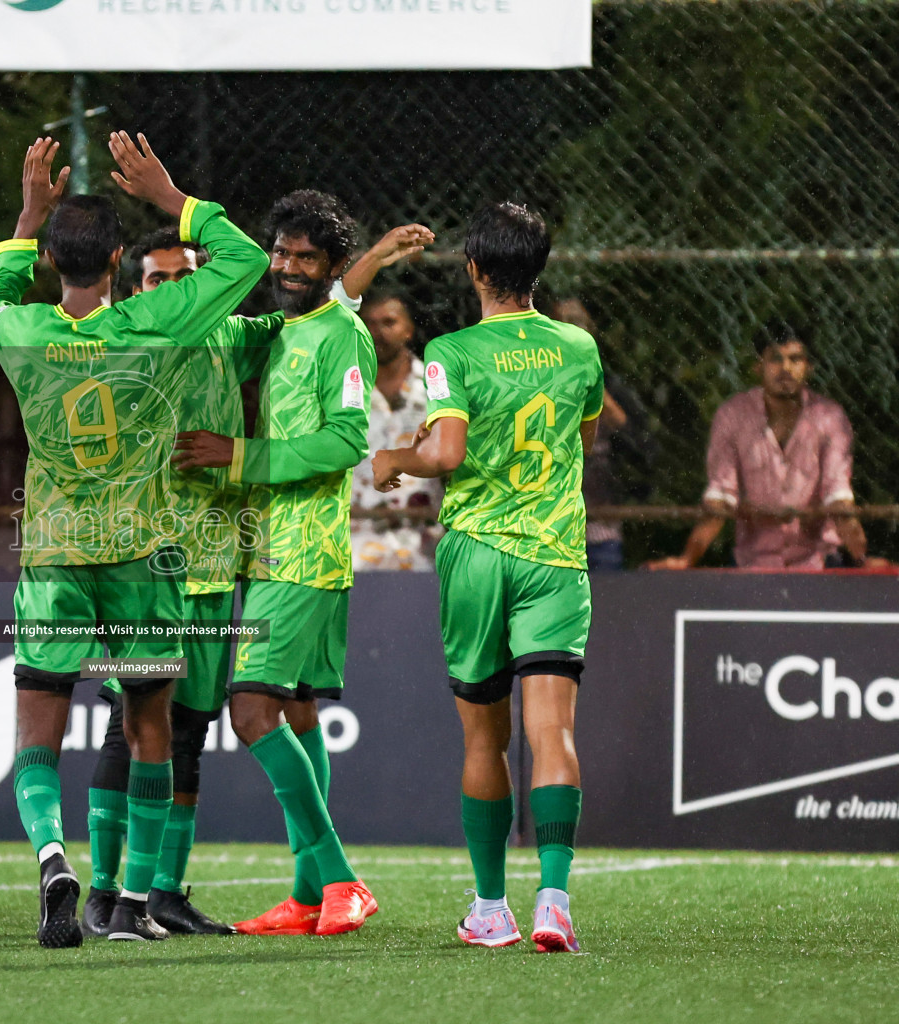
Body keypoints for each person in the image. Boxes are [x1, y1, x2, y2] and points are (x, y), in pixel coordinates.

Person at [0, 135, 269, 946]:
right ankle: (134, 903)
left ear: (54, 259)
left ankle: (51, 857)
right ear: (116, 257)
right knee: (152, 727)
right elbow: (243, 261)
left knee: (37, 730)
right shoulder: (155, 322)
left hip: (56, 556)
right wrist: (173, 199)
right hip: (142, 556)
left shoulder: (21, 332)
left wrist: (26, 218)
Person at [175, 191, 419, 936]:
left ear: (331, 267)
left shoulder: (341, 336)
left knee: (249, 712)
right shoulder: (289, 325)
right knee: (297, 712)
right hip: (275, 546)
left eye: (303, 257)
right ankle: (311, 892)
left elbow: (349, 443)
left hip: (303, 553)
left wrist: (239, 455)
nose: (284, 266)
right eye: (279, 252)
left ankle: (342, 875)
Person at [372, 202, 603, 954]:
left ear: (474, 269)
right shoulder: (578, 347)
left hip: (476, 554)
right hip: (553, 555)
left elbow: (445, 456)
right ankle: (555, 901)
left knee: (484, 737)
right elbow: (585, 436)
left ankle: (490, 908)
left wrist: (393, 460)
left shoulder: (455, 351)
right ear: (539, 268)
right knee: (553, 730)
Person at [83, 227, 280, 937]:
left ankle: (163, 890)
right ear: (137, 289)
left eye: (185, 275)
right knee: (130, 725)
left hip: (213, 561)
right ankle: (104, 893)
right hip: (146, 565)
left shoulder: (229, 334)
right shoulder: (128, 342)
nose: (173, 289)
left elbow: (307, 317)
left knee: (189, 732)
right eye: (158, 279)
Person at [646, 321, 879, 571]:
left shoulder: (829, 418)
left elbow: (838, 496)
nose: (785, 368)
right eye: (775, 359)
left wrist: (862, 559)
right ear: (759, 366)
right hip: (753, 563)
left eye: (795, 359)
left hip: (818, 562)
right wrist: (687, 559)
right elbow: (721, 496)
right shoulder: (732, 416)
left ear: (809, 367)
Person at [327, 228, 443, 571]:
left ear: (409, 329)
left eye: (389, 322)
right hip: (356, 541)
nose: (379, 332)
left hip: (424, 541)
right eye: (370, 323)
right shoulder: (345, 387)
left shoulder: (437, 386)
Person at [549, 299, 630, 571]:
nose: (571, 330)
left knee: (605, 607)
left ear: (591, 330)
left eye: (578, 323)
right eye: (564, 322)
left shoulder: (611, 381)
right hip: (549, 528)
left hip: (601, 528)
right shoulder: (534, 380)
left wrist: (588, 375)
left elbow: (630, 433)